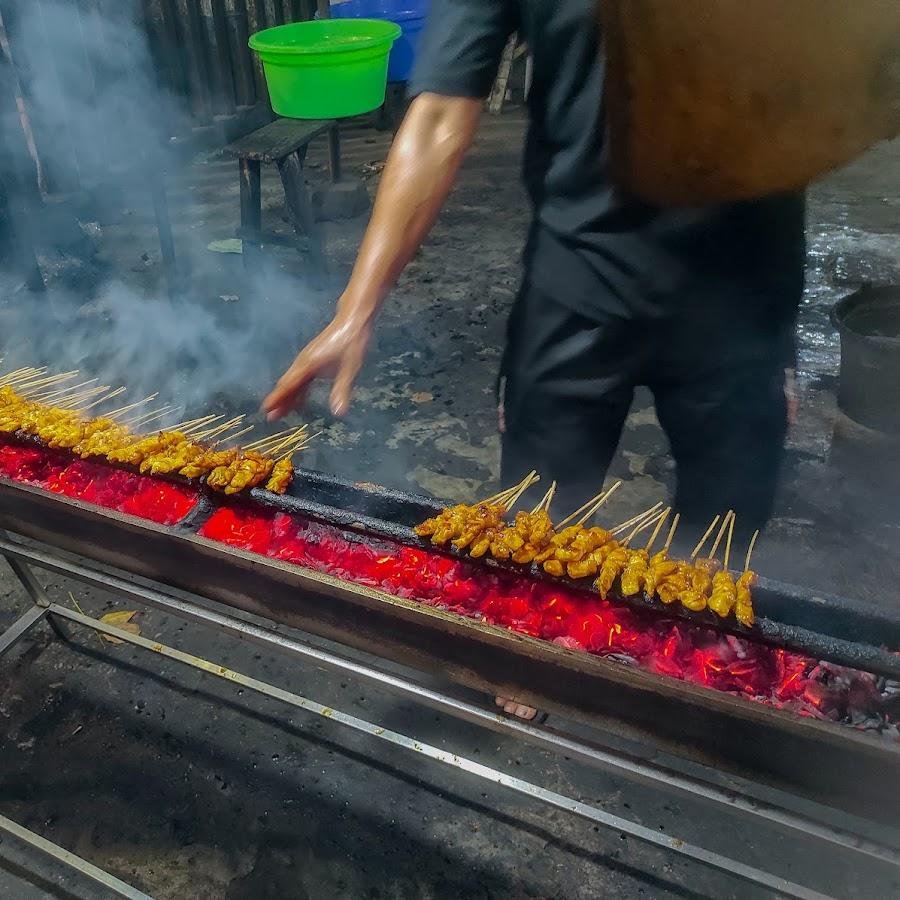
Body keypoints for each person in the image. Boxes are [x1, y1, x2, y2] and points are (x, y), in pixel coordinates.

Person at [264, 2, 805, 718]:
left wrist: (784, 335)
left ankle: (695, 675)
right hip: (579, 286)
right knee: (535, 528)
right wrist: (355, 308)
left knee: (722, 546)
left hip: (742, 294)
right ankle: (532, 652)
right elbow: (436, 115)